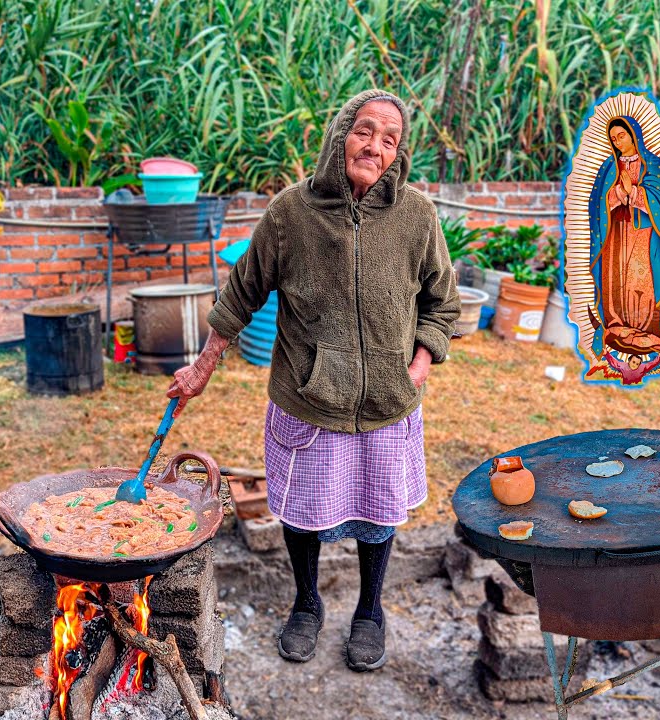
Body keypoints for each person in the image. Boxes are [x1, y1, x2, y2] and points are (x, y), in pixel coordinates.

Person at [166, 89, 460, 671]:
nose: (374, 147)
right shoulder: (290, 213)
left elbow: (441, 303)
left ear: (398, 155)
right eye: (365, 130)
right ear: (340, 134)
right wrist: (202, 368)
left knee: (379, 512)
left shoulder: (417, 216)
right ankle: (306, 603)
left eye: (389, 140)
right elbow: (240, 294)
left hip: (388, 399)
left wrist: (420, 363)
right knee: (302, 511)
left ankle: (370, 610)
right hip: (307, 397)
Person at [586, 115, 660, 361]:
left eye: (622, 135)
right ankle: (616, 323)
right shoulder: (609, 167)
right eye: (613, 138)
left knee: (641, 277)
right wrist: (618, 193)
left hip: (643, 232)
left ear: (633, 135)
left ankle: (646, 329)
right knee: (615, 275)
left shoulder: (653, 165)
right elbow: (596, 203)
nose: (618, 142)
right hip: (615, 231)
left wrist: (636, 193)